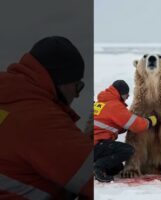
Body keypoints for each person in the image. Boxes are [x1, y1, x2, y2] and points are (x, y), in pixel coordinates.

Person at [0, 36, 93, 199]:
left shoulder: (10, 98)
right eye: (78, 86)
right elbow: (95, 178)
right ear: (62, 81)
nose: (77, 95)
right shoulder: (38, 119)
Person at [94, 80, 157, 182]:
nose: (126, 98)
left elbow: (113, 126)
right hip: (97, 145)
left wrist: (127, 125)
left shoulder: (100, 104)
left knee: (117, 167)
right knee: (127, 150)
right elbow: (137, 126)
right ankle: (98, 167)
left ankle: (96, 166)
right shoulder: (114, 106)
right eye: (126, 96)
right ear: (121, 94)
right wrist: (150, 121)